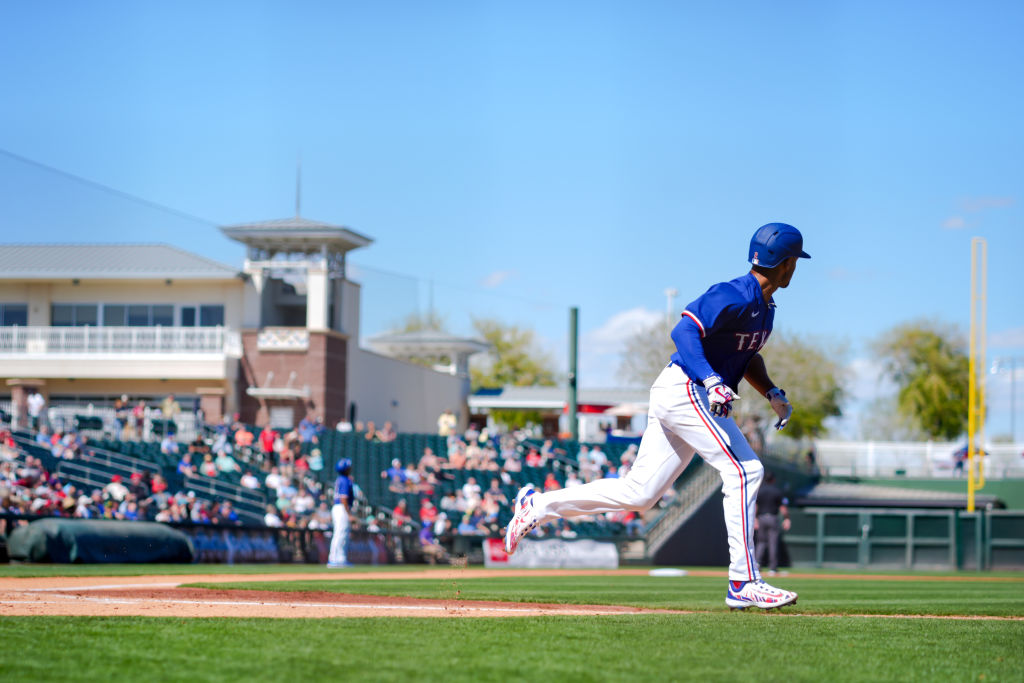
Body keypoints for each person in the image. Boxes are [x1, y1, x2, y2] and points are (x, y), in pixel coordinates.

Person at [504, 222, 809, 611]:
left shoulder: (764, 308)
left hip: (685, 391)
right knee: (745, 471)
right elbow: (684, 332)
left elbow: (747, 356)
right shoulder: (733, 293)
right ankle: (743, 580)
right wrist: (713, 379)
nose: (795, 269)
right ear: (785, 264)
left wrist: (772, 393)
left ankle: (537, 506)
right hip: (687, 387)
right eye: (795, 261)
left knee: (641, 493)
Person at [755, 471, 790, 576]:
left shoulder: (759, 491)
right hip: (772, 518)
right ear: (773, 480)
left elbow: (755, 506)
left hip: (761, 518)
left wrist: (754, 519)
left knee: (761, 542)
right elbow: (783, 508)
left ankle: (757, 565)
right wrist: (787, 518)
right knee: (773, 543)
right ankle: (772, 568)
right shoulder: (776, 491)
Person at [327, 459, 354, 567]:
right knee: (340, 533)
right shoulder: (345, 480)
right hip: (341, 508)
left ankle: (341, 558)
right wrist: (349, 514)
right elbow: (343, 498)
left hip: (338, 507)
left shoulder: (341, 479)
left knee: (343, 533)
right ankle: (334, 558)